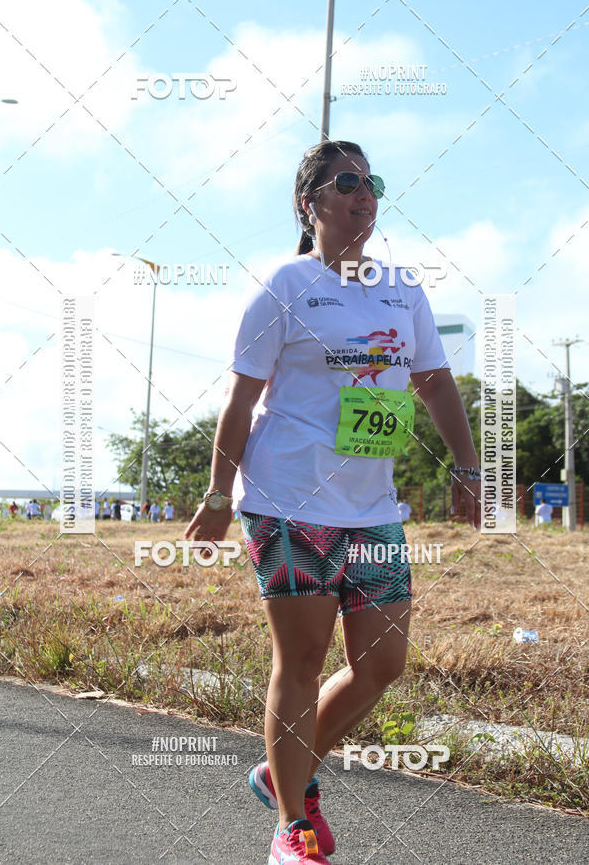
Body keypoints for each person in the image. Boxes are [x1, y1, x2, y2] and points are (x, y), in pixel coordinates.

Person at [184, 140, 481, 864]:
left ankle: (280, 770)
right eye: (346, 181)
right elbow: (241, 400)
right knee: (304, 658)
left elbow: (434, 383)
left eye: (372, 181)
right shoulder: (285, 287)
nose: (364, 193)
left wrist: (469, 468)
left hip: (371, 505)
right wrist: (219, 494)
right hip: (289, 498)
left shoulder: (403, 288)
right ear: (308, 202)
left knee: (383, 665)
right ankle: (294, 825)